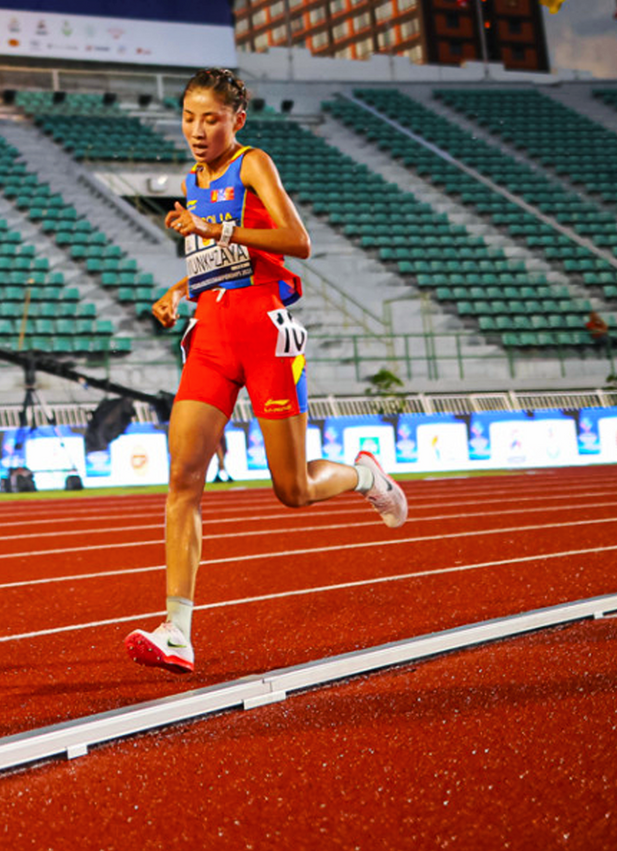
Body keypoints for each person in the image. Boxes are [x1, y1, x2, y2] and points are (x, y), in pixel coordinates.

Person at [125, 67, 407, 675]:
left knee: (292, 489)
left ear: (236, 121)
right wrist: (177, 288)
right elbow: (216, 259)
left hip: (263, 329)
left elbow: (295, 240)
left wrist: (215, 226)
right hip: (210, 330)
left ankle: (362, 476)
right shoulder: (191, 179)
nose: (198, 131)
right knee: (183, 479)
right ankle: (177, 630)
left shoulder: (253, 163)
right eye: (189, 118)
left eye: (211, 119)